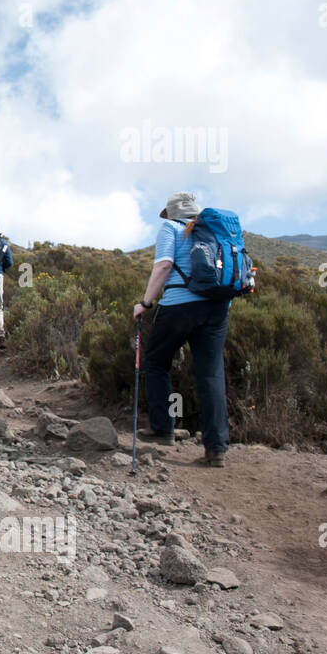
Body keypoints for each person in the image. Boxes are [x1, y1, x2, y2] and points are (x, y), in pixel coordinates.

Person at [133, 191, 230, 468]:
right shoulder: (215, 229)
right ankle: (216, 449)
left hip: (179, 306)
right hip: (217, 308)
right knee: (211, 375)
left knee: (156, 362)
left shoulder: (171, 227)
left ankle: (163, 428)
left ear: (171, 212)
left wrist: (145, 302)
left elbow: (164, 265)